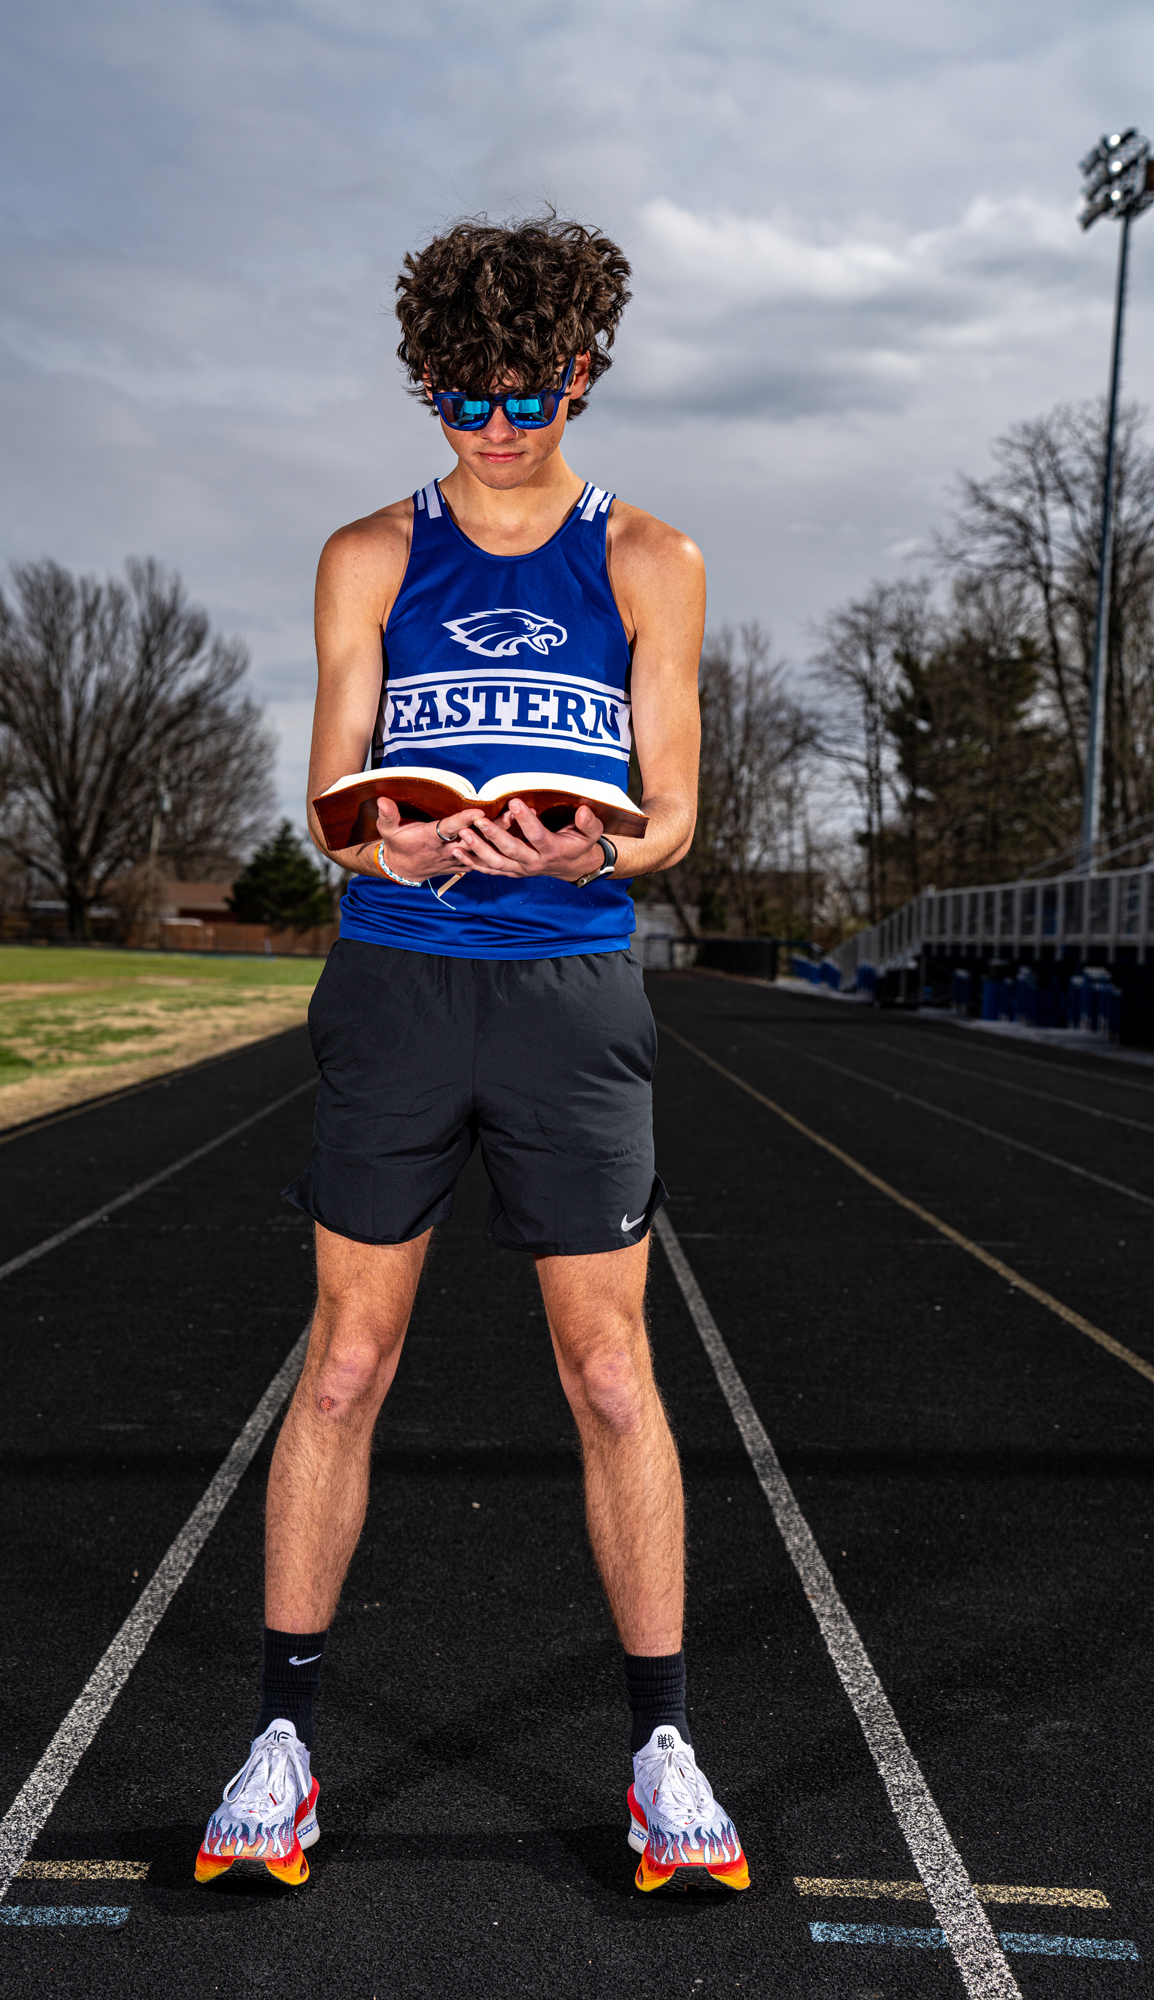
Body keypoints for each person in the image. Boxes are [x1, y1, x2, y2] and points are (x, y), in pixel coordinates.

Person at [195, 215, 748, 1896]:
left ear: (583, 375)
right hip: (398, 983)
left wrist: (595, 847)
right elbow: (329, 797)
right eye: (461, 397)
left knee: (608, 1374)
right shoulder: (366, 554)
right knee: (344, 1365)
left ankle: (664, 1753)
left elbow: (673, 810)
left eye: (527, 395)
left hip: (567, 989)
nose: (496, 426)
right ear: (425, 385)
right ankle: (279, 1745)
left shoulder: (651, 558)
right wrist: (396, 842)